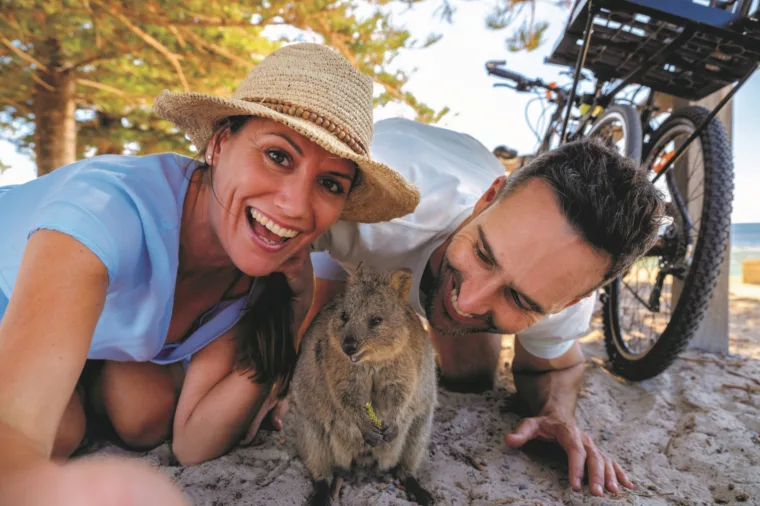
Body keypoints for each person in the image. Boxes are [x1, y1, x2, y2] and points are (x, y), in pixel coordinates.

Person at [0, 43, 420, 505]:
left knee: (145, 413)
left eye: (329, 183)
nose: (296, 206)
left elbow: (194, 441)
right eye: (279, 156)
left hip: (82, 350)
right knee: (58, 432)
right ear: (219, 143)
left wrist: (296, 307)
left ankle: (80, 386)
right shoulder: (106, 212)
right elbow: (13, 432)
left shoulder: (251, 267)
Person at [305, 117, 664, 498]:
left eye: (521, 299)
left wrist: (556, 413)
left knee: (471, 377)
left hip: (457, 191)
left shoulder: (565, 288)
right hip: (383, 199)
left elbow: (561, 366)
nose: (470, 302)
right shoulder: (371, 209)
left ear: (570, 302)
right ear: (487, 200)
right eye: (483, 253)